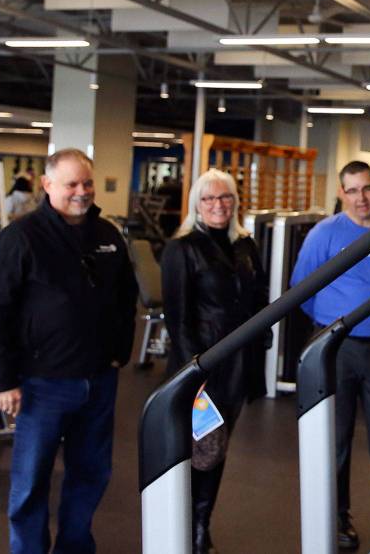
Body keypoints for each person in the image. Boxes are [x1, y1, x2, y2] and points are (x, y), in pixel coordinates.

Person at [0, 148, 138, 553]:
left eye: (87, 183)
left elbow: (125, 298)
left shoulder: (108, 236)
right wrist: (4, 379)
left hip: (98, 381)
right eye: (71, 184)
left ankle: (74, 547)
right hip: (39, 384)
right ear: (48, 185)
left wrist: (120, 351)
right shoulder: (21, 237)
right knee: (31, 480)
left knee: (91, 474)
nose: (81, 192)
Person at [290, 161, 370, 551]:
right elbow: (300, 289)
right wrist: (328, 327)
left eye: (367, 189)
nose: (361, 198)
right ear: (342, 193)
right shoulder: (324, 234)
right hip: (335, 348)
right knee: (335, 440)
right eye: (352, 191)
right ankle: (337, 520)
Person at [161, 168, 269, 554]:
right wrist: (193, 374)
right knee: (195, 454)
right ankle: (185, 529)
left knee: (216, 451)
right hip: (200, 369)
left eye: (225, 198)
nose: (218, 205)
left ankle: (201, 528)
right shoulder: (182, 248)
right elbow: (177, 316)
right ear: (196, 205)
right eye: (209, 199)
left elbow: (259, 298)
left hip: (237, 368)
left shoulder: (245, 244)